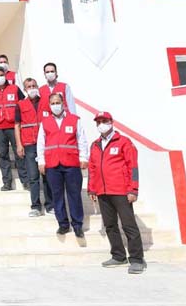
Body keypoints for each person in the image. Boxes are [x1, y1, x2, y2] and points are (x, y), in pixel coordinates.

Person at [88, 111, 146, 274]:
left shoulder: (124, 142)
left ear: (111, 122)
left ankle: (136, 259)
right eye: (98, 122)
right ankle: (118, 255)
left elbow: (133, 166)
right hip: (102, 191)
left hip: (121, 191)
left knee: (129, 225)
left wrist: (133, 189)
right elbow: (92, 168)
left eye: (104, 121)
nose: (101, 124)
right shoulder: (95, 145)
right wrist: (92, 188)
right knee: (110, 225)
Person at [37, 93, 88, 237]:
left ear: (63, 103)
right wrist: (41, 161)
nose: (55, 105)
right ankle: (63, 224)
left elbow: (82, 140)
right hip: (53, 164)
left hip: (71, 163)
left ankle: (77, 225)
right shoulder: (45, 122)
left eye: (57, 102)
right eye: (52, 103)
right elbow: (41, 143)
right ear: (49, 105)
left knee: (74, 194)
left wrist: (84, 157)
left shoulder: (74, 120)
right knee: (57, 196)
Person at [14, 78, 53, 216]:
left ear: (38, 86)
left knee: (47, 175)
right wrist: (19, 144)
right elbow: (17, 125)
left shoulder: (47, 102)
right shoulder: (20, 105)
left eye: (34, 86)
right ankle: (36, 206)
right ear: (25, 90)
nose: (32, 88)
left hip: (46, 144)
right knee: (33, 176)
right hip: (29, 144)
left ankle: (50, 205)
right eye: (29, 87)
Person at [0, 66, 27, 191]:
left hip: (13, 126)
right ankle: (7, 182)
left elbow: (23, 104)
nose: (0, 77)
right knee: (3, 155)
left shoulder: (14, 89)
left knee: (19, 153)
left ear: (5, 75)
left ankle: (25, 180)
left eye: (1, 75)